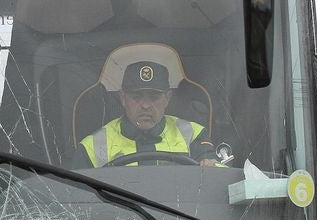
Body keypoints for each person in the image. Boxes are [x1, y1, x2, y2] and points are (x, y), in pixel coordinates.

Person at [75, 58, 219, 168]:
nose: (145, 105)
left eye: (154, 97)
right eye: (136, 97)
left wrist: (212, 167)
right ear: (123, 98)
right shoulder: (93, 146)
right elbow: (71, 196)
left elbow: (221, 178)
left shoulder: (193, 135)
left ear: (167, 98)